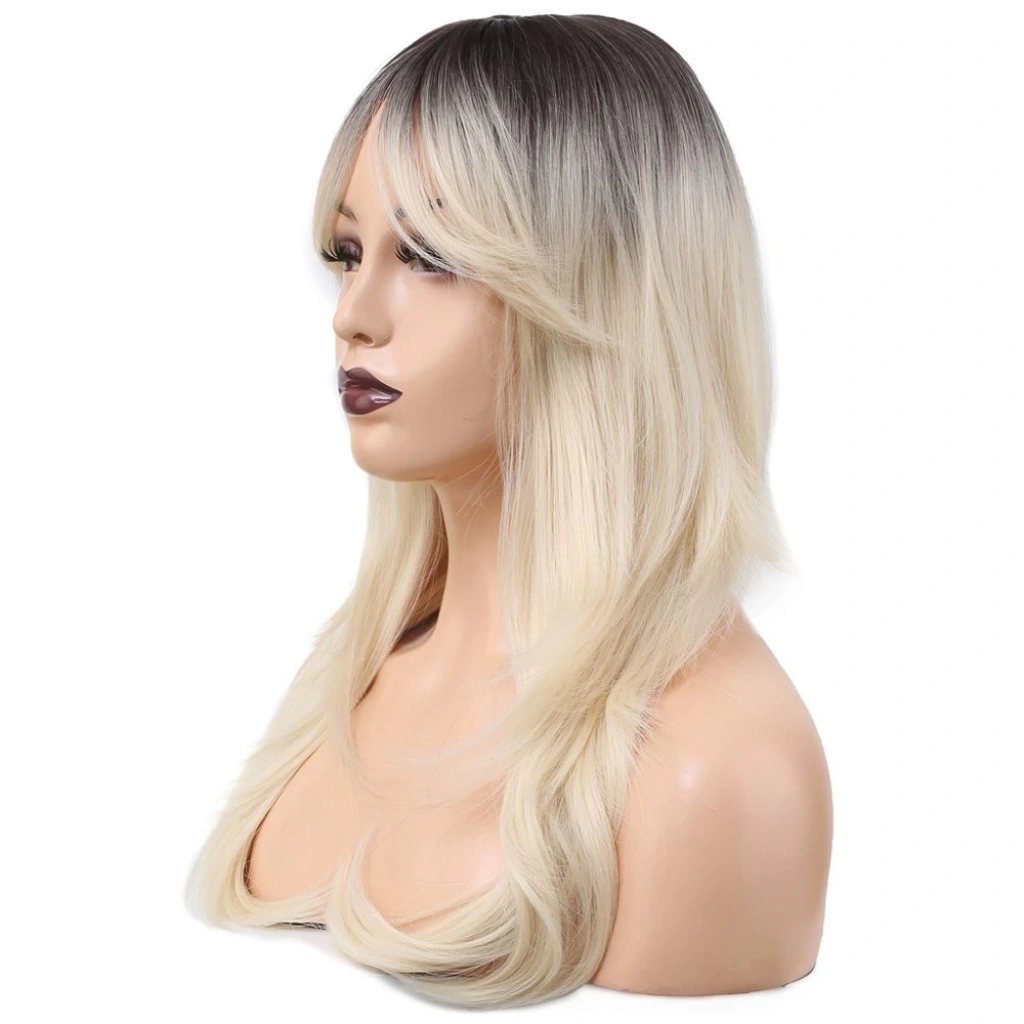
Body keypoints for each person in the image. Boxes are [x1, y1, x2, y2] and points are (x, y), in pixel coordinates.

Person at [184, 13, 832, 1009]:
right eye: (349, 251)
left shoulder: (718, 769)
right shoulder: (349, 682)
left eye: (430, 254)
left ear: (608, 291)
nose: (353, 313)